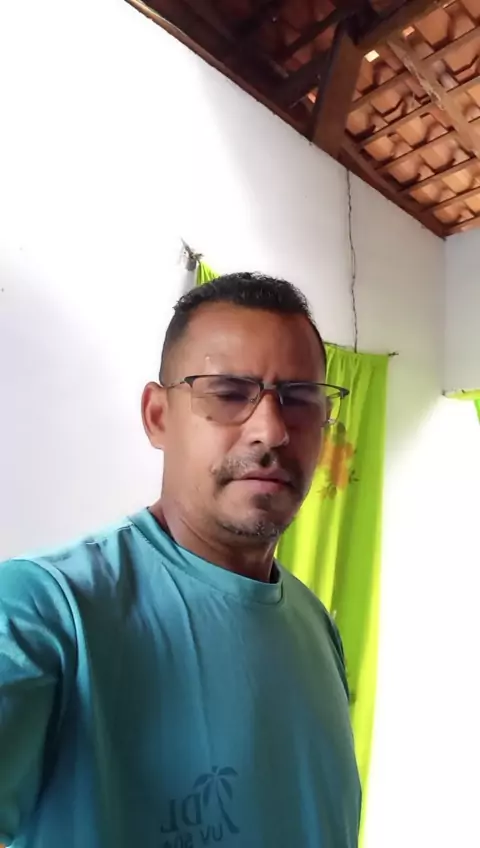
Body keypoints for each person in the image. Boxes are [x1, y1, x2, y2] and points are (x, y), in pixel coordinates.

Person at [0, 273, 361, 848]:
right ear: (158, 416)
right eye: (228, 393)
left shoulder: (317, 625)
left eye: (298, 398)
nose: (271, 430)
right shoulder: (45, 610)